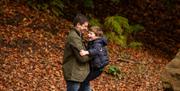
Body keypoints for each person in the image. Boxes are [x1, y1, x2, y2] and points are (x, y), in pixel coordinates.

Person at [62, 14, 91, 91]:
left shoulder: (78, 36)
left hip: (80, 74)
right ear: (78, 25)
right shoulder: (74, 37)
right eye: (85, 26)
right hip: (74, 74)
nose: (86, 29)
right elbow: (83, 58)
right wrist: (93, 53)